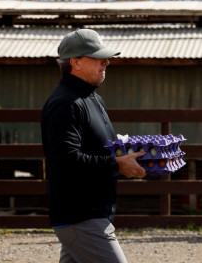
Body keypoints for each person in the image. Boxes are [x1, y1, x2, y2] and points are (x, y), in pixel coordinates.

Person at [41, 28, 146, 263]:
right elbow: (65, 160)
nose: (106, 62)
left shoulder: (91, 98)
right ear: (75, 62)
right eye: (98, 57)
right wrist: (116, 164)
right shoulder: (66, 103)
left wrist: (128, 153)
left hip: (88, 214)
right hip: (81, 216)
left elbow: (96, 148)